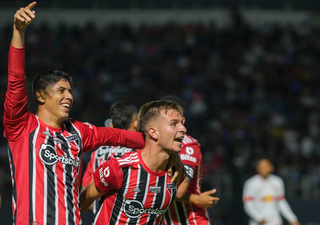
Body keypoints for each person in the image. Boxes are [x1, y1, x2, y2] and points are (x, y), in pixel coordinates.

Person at [4, 3, 147, 225]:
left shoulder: (78, 132)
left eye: (70, 91)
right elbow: (15, 79)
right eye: (61, 90)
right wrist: (19, 31)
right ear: (41, 96)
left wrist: (158, 142)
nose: (69, 96)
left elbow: (119, 136)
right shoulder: (22, 126)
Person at [80, 100, 187, 224]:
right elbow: (84, 200)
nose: (183, 129)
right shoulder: (120, 167)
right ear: (153, 132)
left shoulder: (176, 173)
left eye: (182, 123)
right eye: (174, 124)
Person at [161, 95, 219, 225]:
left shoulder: (187, 146)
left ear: (182, 120)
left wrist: (148, 187)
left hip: (189, 220)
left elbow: (180, 191)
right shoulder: (153, 145)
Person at [81, 101, 139, 214]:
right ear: (136, 124)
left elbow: (85, 192)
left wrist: (102, 210)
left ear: (111, 125)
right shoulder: (141, 152)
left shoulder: (98, 153)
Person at [243, 158, 300, 225]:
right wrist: (259, 219)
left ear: (271, 168)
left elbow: (281, 203)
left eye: (265, 166)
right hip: (258, 223)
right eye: (261, 166)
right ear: (257, 168)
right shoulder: (251, 183)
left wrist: (292, 219)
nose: (263, 169)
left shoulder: (278, 181)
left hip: (275, 221)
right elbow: (248, 205)